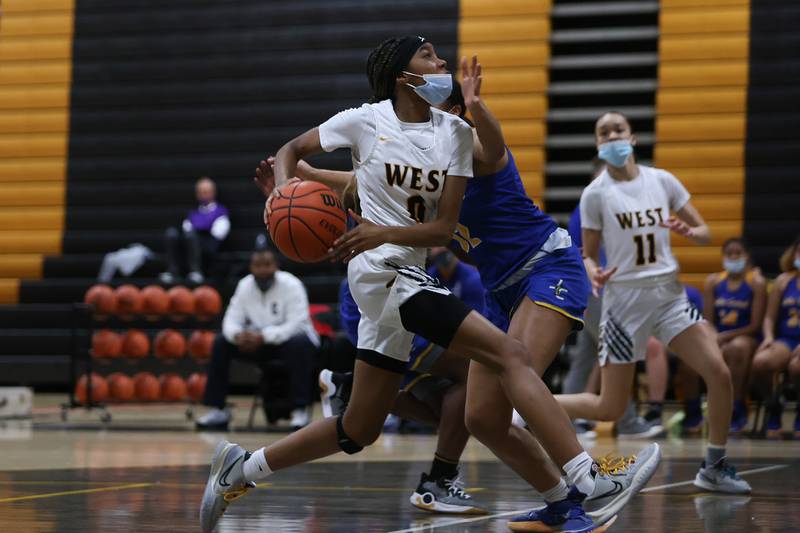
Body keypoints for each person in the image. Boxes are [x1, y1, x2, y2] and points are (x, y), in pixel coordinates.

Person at [201, 39, 659, 533]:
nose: (442, 65)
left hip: (533, 265)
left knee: (361, 429)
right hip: (392, 274)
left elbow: (449, 212)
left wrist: (477, 110)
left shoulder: (459, 141)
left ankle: (241, 469)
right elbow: (345, 178)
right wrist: (290, 191)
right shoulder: (374, 123)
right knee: (505, 363)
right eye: (430, 56)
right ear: (403, 76)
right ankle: (586, 480)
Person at [555, 111, 751, 494]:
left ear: (632, 136)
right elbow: (588, 254)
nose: (612, 136)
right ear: (598, 143)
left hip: (668, 294)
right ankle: (527, 404)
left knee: (719, 373)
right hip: (624, 300)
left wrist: (687, 230)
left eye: (618, 129)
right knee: (610, 408)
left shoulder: (661, 180)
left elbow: (706, 233)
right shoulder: (595, 193)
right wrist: (593, 270)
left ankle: (715, 465)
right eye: (604, 132)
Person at [320, 246, 488, 514]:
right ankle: (438, 481)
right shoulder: (399, 232)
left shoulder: (464, 277)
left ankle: (350, 387)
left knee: (450, 418)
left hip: (380, 302)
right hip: (387, 305)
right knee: (474, 370)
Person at [195, 248, 319, 431]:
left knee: (298, 343)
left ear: (276, 266)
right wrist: (238, 336)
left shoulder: (292, 285)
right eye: (257, 266)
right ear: (251, 268)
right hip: (257, 343)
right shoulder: (245, 285)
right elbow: (230, 320)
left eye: (267, 265)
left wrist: (263, 336)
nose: (262, 271)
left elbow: (296, 324)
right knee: (221, 342)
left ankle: (300, 409)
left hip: (290, 342)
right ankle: (217, 409)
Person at [677, 239, 767, 434]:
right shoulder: (713, 281)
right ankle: (692, 412)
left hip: (746, 336)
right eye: (729, 254)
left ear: (747, 256)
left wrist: (725, 336)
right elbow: (707, 321)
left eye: (738, 253)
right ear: (723, 257)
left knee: (736, 348)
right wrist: (713, 337)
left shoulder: (756, 283)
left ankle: (737, 409)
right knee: (688, 357)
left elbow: (755, 325)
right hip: (718, 336)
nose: (734, 257)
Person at [751, 236, 800, 438]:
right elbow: (770, 318)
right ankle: (774, 404)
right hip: (786, 340)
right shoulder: (783, 281)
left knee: (797, 367)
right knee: (760, 362)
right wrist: (768, 337)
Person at [160, 177, 230, 285]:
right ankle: (172, 271)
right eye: (200, 192)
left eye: (206, 192)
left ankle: (195, 271)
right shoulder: (193, 213)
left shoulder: (220, 212)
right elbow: (186, 229)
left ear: (213, 193)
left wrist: (197, 232)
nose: (203, 195)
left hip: (208, 246)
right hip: (189, 244)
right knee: (172, 234)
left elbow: (218, 234)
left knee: (191, 236)